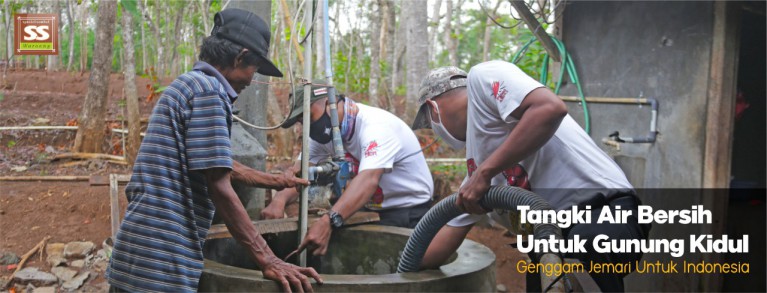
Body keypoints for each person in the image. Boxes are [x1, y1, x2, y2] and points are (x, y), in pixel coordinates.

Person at [106, 9, 322, 293]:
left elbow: (217, 164)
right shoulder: (209, 93)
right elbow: (219, 185)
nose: (250, 80)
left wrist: (276, 181)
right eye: (253, 69)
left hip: (139, 253)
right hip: (161, 258)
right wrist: (267, 258)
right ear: (239, 57)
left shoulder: (189, 84)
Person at [412, 61, 649, 292]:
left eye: (430, 125)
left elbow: (549, 109)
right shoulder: (477, 170)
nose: (435, 131)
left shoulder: (482, 79)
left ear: (433, 108)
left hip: (604, 217)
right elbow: (445, 239)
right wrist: (407, 263)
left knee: (581, 257)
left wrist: (485, 173)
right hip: (551, 239)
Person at [261, 83, 433, 256]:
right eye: (300, 122)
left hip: (408, 213)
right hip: (367, 211)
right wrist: (279, 201)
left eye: (308, 116)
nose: (305, 126)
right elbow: (300, 174)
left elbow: (368, 180)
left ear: (331, 102)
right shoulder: (324, 136)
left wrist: (329, 220)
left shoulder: (376, 126)